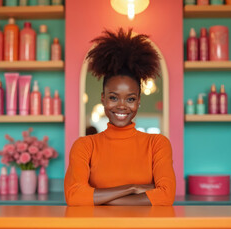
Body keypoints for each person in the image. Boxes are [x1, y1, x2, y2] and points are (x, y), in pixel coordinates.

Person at [64, 28, 176, 206]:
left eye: (130, 98)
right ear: (103, 99)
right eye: (113, 97)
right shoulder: (85, 146)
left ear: (138, 101)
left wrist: (98, 199)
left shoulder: (157, 144)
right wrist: (131, 188)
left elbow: (166, 196)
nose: (122, 105)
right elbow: (75, 197)